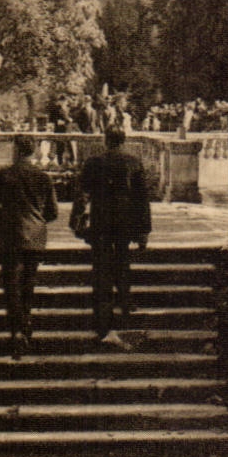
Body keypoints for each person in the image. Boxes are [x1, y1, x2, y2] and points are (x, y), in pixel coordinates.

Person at [70, 127, 152, 340]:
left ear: (105, 140)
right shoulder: (133, 162)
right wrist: (144, 231)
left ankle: (101, 315)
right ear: (123, 141)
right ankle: (124, 305)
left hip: (101, 218)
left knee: (100, 264)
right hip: (124, 220)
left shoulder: (94, 162)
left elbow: (82, 194)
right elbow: (142, 198)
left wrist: (76, 220)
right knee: (123, 260)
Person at [0, 136, 60, 354]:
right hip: (35, 238)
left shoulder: (4, 175)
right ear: (34, 151)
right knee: (29, 283)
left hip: (10, 236)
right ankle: (26, 325)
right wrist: (37, 222)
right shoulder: (43, 177)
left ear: (17, 150)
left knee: (12, 285)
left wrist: (4, 220)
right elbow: (53, 212)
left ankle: (16, 331)